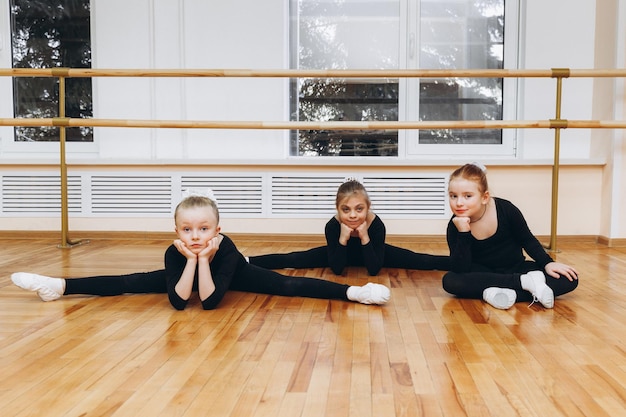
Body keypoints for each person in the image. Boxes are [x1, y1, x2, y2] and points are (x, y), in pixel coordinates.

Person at [11, 189, 391, 310]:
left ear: (217, 230)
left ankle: (354, 293)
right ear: (177, 230)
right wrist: (192, 260)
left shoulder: (224, 248)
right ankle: (59, 285)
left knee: (286, 284)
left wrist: (206, 259)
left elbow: (209, 303)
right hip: (189, 274)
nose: (195, 236)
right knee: (132, 281)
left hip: (230, 271)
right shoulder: (176, 251)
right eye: (188, 230)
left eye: (204, 229)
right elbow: (180, 302)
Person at [442, 163, 579, 310]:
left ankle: (503, 293)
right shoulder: (454, 226)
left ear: (484, 197)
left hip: (515, 268)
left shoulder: (506, 210)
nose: (459, 203)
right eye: (453, 196)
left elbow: (527, 240)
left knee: (569, 278)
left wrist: (548, 263)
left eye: (467, 196)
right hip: (483, 274)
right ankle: (526, 284)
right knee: (450, 281)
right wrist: (464, 233)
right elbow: (460, 268)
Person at [249, 178, 449, 276]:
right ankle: (246, 260)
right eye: (346, 210)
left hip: (374, 252)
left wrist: (365, 238)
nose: (353, 215)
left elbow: (373, 269)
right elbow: (337, 268)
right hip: (338, 252)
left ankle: (465, 264)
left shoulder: (376, 225)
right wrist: (343, 240)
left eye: (359, 209)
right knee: (294, 258)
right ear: (338, 210)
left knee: (421, 260)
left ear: (368, 208)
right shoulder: (333, 226)